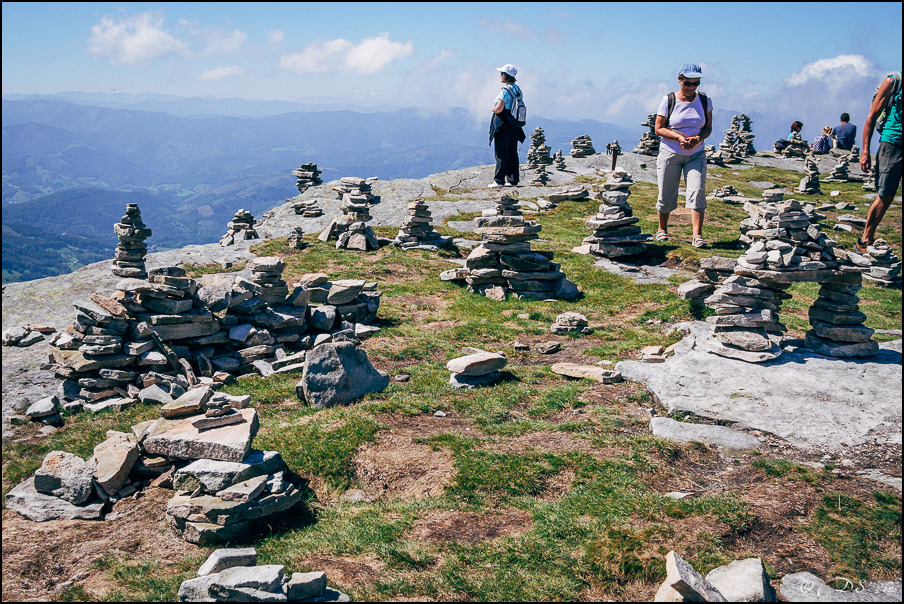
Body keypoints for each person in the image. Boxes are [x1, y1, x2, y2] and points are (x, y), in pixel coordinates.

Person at [653, 63, 713, 248]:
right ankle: (662, 229)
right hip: (670, 152)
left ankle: (697, 235)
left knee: (697, 191)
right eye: (688, 83)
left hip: (695, 154)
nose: (691, 87)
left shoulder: (704, 100)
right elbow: (658, 128)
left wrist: (697, 138)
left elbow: (708, 128)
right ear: (680, 80)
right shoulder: (669, 100)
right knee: (666, 192)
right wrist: (679, 137)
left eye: (696, 83)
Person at [857, 71, 902, 253]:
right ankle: (865, 240)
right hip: (892, 142)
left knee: (887, 194)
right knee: (886, 194)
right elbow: (871, 116)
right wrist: (865, 151)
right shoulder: (893, 81)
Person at [488, 64, 526, 187]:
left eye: (501, 73)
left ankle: (499, 181)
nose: (500, 75)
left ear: (506, 76)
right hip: (514, 125)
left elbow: (499, 109)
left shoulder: (505, 91)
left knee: (501, 153)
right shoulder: (517, 89)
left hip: (503, 124)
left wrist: (493, 109)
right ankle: (513, 180)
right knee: (512, 152)